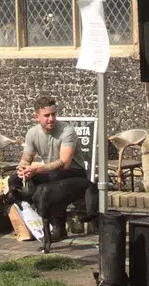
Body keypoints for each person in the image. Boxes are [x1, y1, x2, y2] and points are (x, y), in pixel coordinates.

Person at [6, 98, 89, 243]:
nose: (51, 118)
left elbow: (64, 163)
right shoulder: (32, 133)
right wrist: (22, 170)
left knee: (52, 182)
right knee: (14, 180)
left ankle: (59, 228)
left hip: (74, 173)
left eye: (54, 114)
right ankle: (29, 221)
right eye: (47, 115)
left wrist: (37, 169)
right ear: (36, 117)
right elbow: (26, 159)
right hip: (50, 172)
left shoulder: (67, 131)